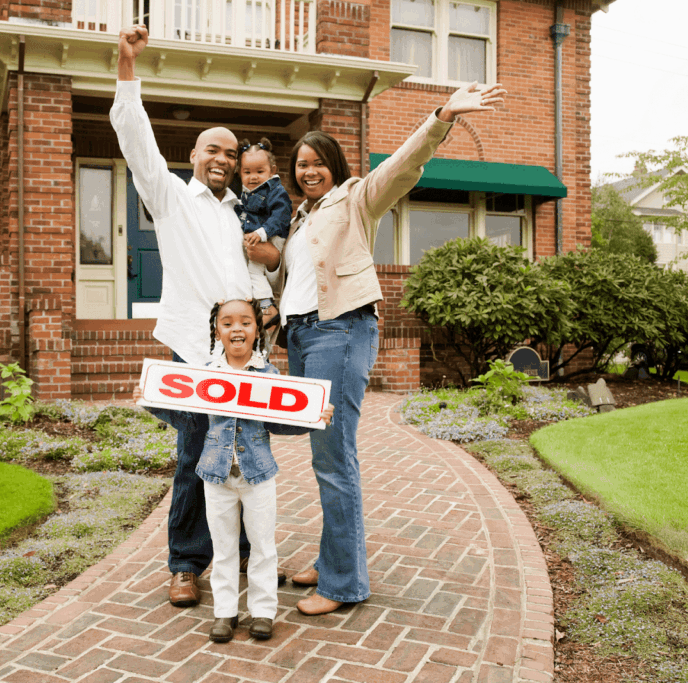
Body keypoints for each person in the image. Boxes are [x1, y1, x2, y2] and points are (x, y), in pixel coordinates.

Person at [275, 81, 507, 616]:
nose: (309, 171)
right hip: (304, 337)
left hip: (339, 330)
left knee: (335, 456)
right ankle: (333, 558)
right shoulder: (298, 217)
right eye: (301, 165)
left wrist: (441, 117)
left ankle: (343, 583)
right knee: (323, 454)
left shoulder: (357, 198)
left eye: (317, 162)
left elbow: (402, 166)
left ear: (335, 164)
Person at [109, 25, 282, 608]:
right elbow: (135, 139)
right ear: (193, 155)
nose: (224, 160)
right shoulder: (172, 198)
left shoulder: (242, 213)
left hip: (248, 350)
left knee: (246, 454)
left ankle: (244, 556)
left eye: (232, 154)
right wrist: (127, 67)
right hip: (197, 347)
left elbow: (258, 277)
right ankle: (186, 562)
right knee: (195, 455)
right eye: (214, 149)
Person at [135, 299, 333, 643]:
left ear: (257, 330)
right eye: (227, 323)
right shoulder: (205, 374)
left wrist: (313, 419)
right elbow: (188, 421)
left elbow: (280, 422)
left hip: (258, 476)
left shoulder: (268, 375)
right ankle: (225, 613)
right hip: (216, 476)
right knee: (225, 549)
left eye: (245, 322)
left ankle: (262, 612)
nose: (236, 328)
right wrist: (152, 400)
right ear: (217, 331)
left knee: (262, 547)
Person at [234, 138, 293, 349]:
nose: (253, 177)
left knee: (253, 271)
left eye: (259, 171)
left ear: (272, 170)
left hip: (273, 239)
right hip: (261, 238)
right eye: (247, 172)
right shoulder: (245, 194)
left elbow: (281, 216)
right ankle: (263, 308)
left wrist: (261, 233)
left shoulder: (275, 191)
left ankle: (268, 308)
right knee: (252, 273)